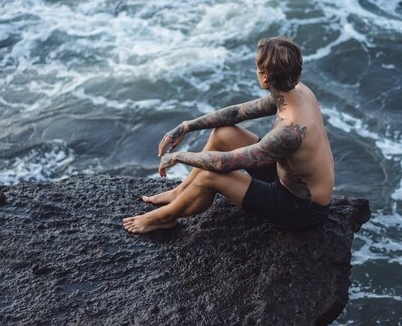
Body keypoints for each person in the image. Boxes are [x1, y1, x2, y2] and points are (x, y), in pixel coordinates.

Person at [122, 37, 334, 233]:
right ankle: (181, 192)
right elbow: (238, 112)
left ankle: (163, 218)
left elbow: (225, 164)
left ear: (266, 77)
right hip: (287, 177)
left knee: (210, 176)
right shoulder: (296, 90)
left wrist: (178, 157)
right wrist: (186, 126)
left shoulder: (290, 131)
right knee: (223, 134)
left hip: (301, 207)